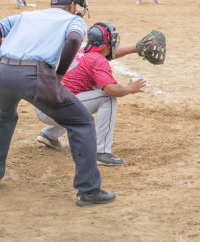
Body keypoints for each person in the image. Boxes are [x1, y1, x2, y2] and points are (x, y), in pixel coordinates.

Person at [0, 0, 116, 206]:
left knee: (3, 116)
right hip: (35, 75)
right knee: (81, 122)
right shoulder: (73, 20)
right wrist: (60, 74)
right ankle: (88, 190)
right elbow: (74, 40)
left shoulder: (27, 15)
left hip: (2, 72)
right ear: (72, 5)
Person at [35, 21, 147, 166]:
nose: (112, 45)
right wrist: (129, 89)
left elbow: (108, 55)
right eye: (111, 42)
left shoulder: (83, 50)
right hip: (57, 110)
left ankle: (50, 134)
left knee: (84, 96)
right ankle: (101, 152)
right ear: (105, 45)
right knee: (107, 97)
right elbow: (111, 89)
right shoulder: (98, 60)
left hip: (47, 107)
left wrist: (135, 48)